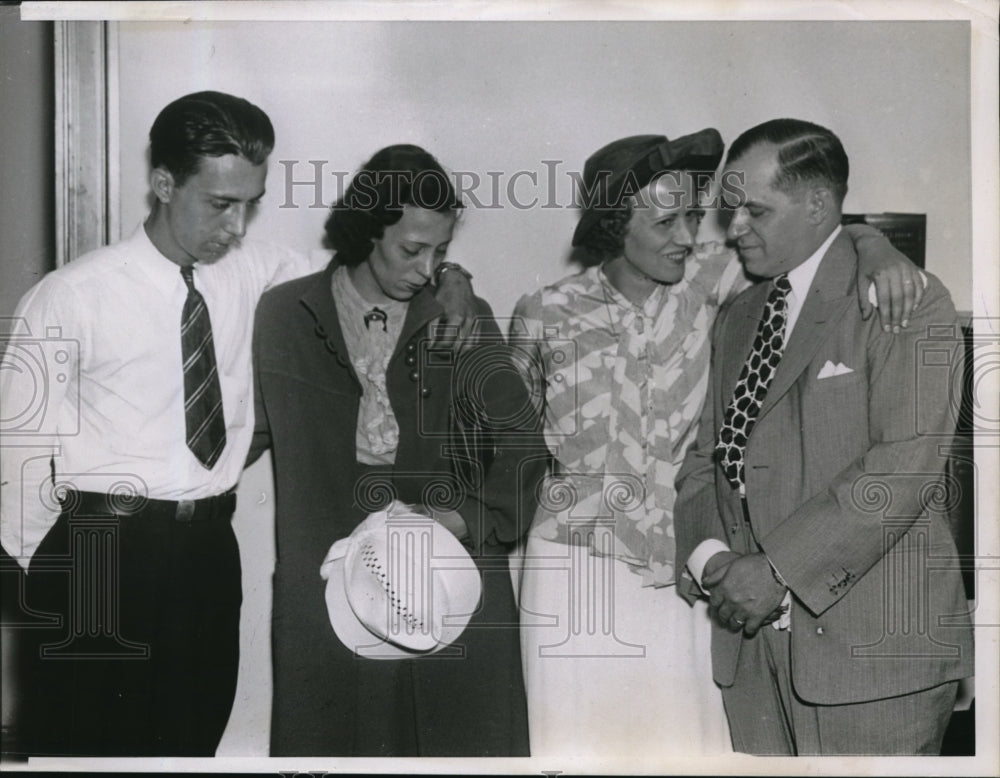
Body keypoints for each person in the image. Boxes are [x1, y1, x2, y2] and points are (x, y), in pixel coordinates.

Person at [0, 92, 475, 757]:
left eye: (251, 204)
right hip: (98, 553)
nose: (238, 225)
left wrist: (451, 275)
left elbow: (373, 260)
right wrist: (57, 577)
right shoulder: (72, 295)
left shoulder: (257, 273)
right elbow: (14, 456)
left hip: (205, 559)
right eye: (221, 204)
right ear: (165, 184)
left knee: (189, 748)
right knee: (83, 751)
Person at [508, 130, 926, 757]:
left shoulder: (716, 276)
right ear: (613, 225)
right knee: (577, 748)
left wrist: (877, 247)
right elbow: (506, 443)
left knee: (688, 750)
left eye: (693, 218)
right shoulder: (544, 312)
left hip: (683, 564)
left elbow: (819, 243)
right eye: (665, 221)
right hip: (574, 566)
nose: (686, 235)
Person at [674, 118, 974, 755]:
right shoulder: (739, 313)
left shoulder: (904, 299)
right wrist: (712, 560)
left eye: (756, 209)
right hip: (751, 659)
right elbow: (705, 459)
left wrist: (778, 570)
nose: (734, 229)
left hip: (873, 661)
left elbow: (902, 468)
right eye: (732, 209)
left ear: (816, 204)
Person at [249, 144, 547, 756]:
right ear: (366, 231)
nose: (426, 269)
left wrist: (466, 518)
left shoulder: (462, 316)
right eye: (412, 250)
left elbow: (524, 448)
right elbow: (238, 432)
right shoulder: (284, 314)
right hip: (332, 580)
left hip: (452, 572)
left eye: (441, 252)